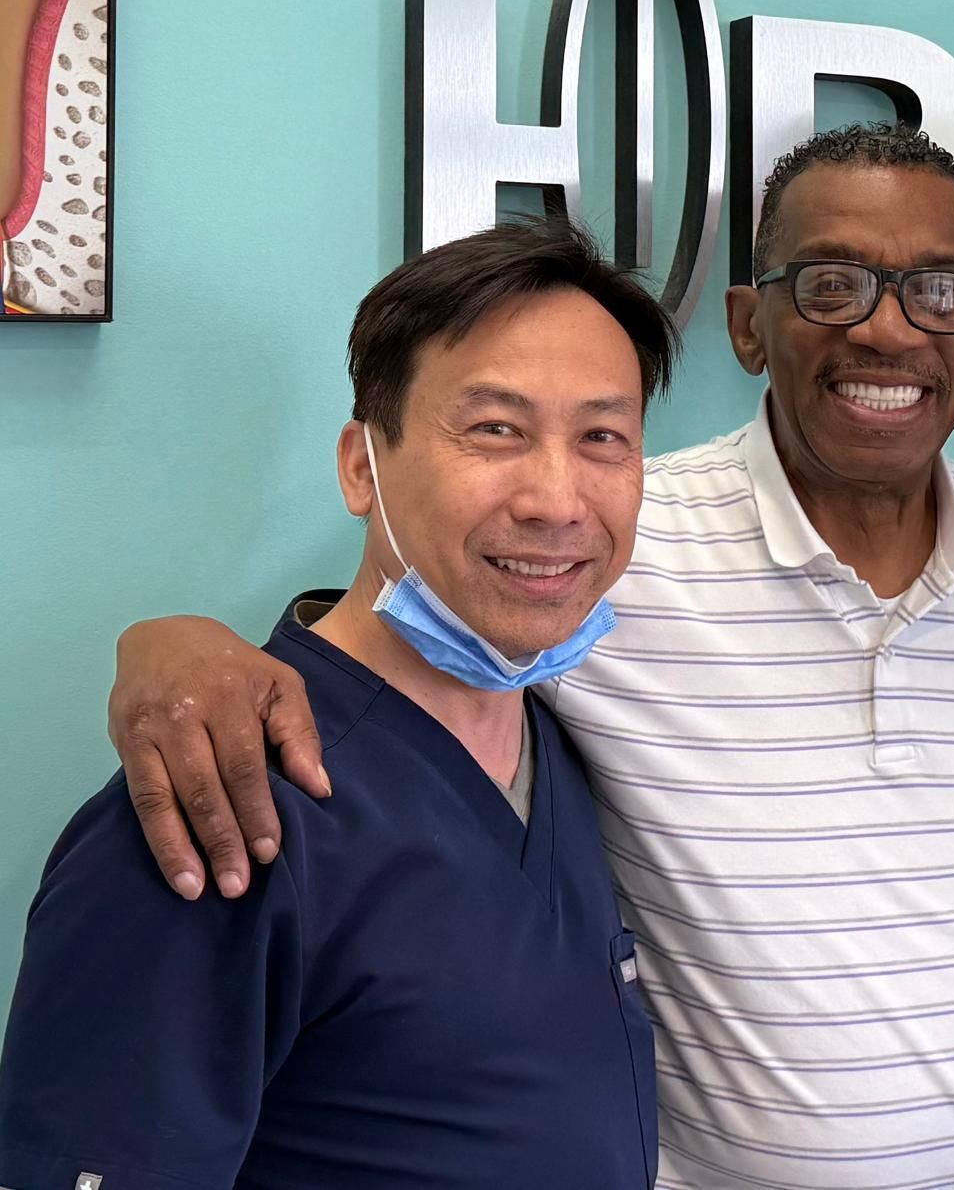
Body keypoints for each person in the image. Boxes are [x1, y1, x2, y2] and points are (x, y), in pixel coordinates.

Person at [98, 124, 954, 1188]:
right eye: (832, 284)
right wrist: (171, 648)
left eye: (938, 293)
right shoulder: (606, 547)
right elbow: (402, 634)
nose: (887, 331)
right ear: (751, 325)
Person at [0, 218, 675, 1189]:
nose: (557, 499)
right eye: (496, 430)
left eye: (602, 438)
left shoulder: (560, 747)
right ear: (362, 466)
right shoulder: (220, 802)